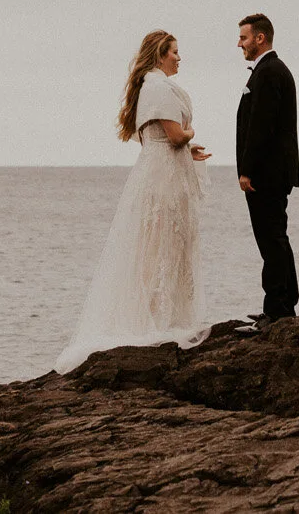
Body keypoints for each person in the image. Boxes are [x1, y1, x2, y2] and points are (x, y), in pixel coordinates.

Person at [54, 31, 212, 372]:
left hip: (159, 174)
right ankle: (157, 320)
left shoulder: (151, 87)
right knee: (161, 248)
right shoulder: (157, 88)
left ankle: (162, 315)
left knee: (161, 247)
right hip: (162, 182)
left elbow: (158, 139)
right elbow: (173, 136)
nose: (179, 58)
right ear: (160, 55)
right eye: (175, 52)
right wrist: (191, 135)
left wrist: (188, 149)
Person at [234, 13, 299, 322]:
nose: (240, 44)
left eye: (244, 38)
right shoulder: (268, 71)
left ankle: (277, 309)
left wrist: (247, 170)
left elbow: (261, 126)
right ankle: (284, 302)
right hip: (272, 172)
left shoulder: (270, 72)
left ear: (260, 38)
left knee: (271, 239)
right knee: (276, 237)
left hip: (267, 174)